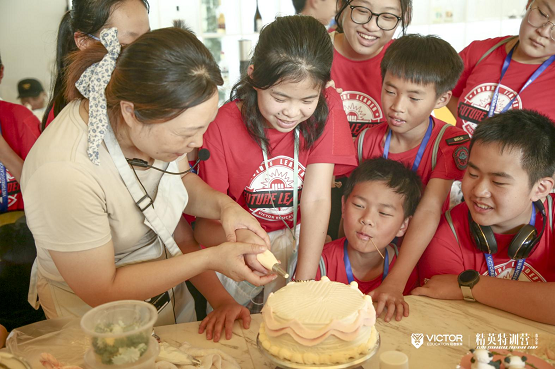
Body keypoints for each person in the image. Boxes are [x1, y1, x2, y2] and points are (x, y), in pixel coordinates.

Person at [21, 27, 276, 342]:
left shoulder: (154, 126)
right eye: (186, 133)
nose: (197, 143)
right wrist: (212, 258)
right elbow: (103, 289)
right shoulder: (64, 172)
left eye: (203, 128)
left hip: (168, 300)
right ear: (131, 112)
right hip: (96, 325)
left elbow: (177, 189)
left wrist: (225, 208)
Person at [194, 15, 356, 310]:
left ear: (324, 87)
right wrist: (249, 243)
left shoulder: (328, 106)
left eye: (307, 100)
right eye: (279, 97)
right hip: (239, 248)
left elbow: (318, 198)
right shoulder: (221, 125)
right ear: (254, 76)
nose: (291, 113)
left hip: (303, 243)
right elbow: (203, 227)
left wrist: (304, 282)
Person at [347, 34, 469, 321]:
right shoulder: (365, 141)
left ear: (441, 99)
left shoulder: (449, 142)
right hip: (370, 258)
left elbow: (428, 211)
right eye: (390, 90)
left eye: (414, 97)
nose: (397, 106)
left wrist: (395, 280)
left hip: (422, 259)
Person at [414, 110, 555, 325]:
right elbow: (449, 324)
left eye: (498, 182)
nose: (479, 191)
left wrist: (470, 285)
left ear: (541, 188)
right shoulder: (445, 234)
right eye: (472, 174)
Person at [316, 158, 422, 299]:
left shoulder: (404, 268)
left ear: (403, 225)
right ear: (343, 206)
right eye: (359, 205)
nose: (367, 219)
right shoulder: (320, 263)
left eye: (384, 213)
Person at [447, 0, 555, 136]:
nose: (544, 31)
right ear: (529, 4)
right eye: (542, 13)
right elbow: (440, 90)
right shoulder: (479, 52)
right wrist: (466, 119)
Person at [42, 0, 150, 131]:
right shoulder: (75, 116)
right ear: (84, 41)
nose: (146, 53)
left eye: (149, 38)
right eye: (127, 45)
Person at [0, 52, 45, 343]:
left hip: (22, 254)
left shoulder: (19, 120)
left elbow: (45, 192)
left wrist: (4, 151)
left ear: (1, 72)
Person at [330, 0, 412, 137]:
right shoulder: (312, 54)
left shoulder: (408, 62)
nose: (372, 26)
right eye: (362, 10)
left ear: (404, 16)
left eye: (387, 16)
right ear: (341, 6)